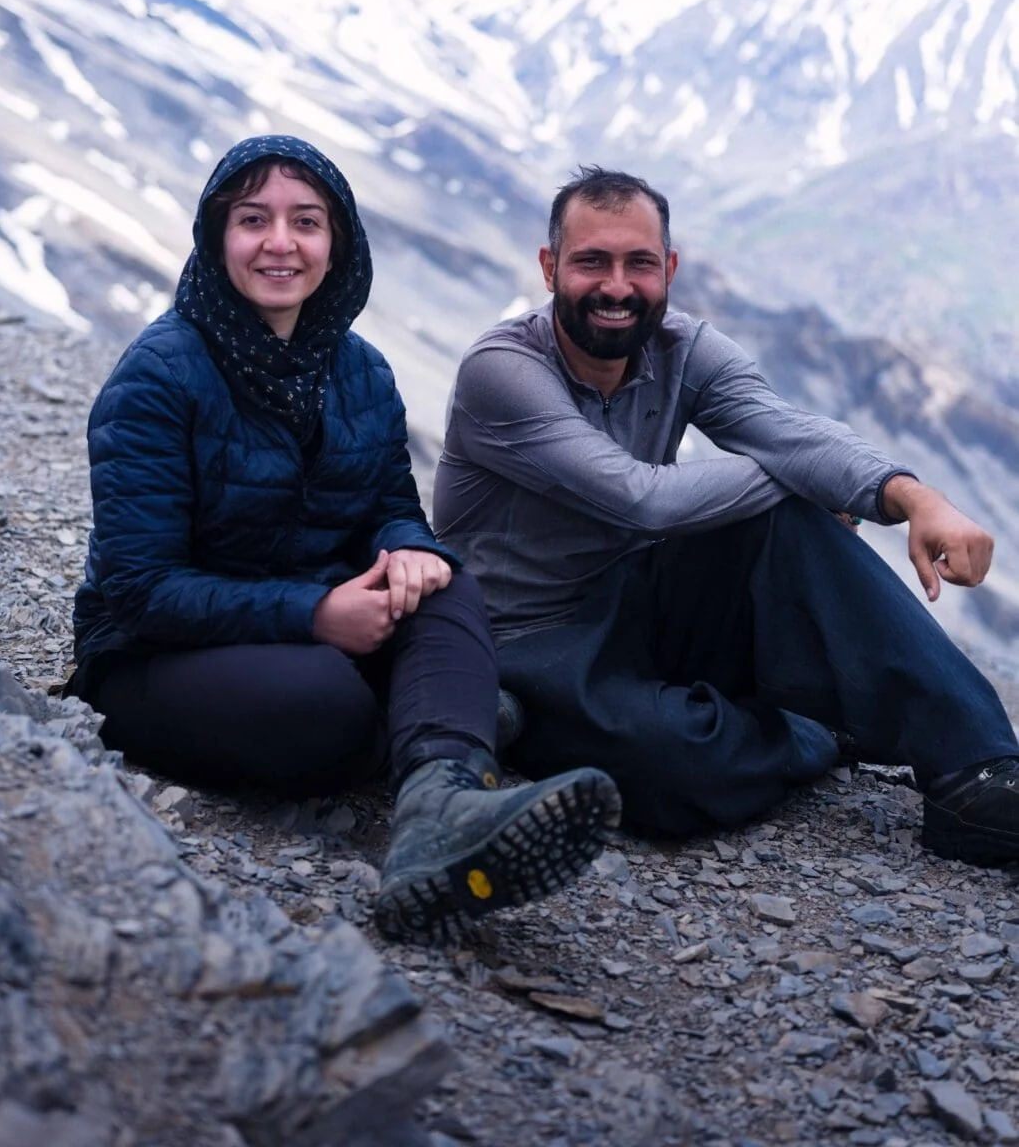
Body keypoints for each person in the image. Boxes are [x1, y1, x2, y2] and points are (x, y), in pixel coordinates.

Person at [67, 135, 619, 943]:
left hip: (319, 619)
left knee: (446, 581)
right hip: (153, 655)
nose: (281, 243)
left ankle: (440, 808)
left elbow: (390, 508)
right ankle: (433, 724)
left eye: (307, 222)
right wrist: (315, 614)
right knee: (323, 705)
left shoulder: (359, 370)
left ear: (338, 243)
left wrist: (408, 550)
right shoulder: (157, 377)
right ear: (217, 236)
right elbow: (141, 590)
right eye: (254, 220)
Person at [434, 165, 1019, 866]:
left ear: (670, 269)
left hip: (642, 601)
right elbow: (637, 497)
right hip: (526, 636)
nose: (617, 287)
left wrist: (915, 497)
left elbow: (785, 429)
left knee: (784, 524)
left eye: (639, 264)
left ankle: (980, 772)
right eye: (592, 261)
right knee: (673, 770)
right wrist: (797, 477)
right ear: (550, 266)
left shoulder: (686, 348)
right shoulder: (501, 369)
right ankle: (812, 729)